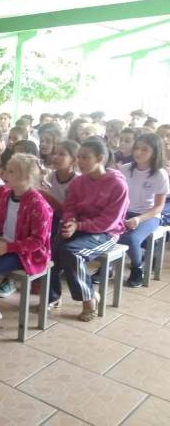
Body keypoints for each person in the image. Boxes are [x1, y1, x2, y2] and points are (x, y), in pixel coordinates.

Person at [0, 154, 53, 339]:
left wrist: (9, 248)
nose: (5, 174)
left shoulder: (39, 204)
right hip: (2, 243)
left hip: (26, 253)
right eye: (7, 169)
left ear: (26, 178)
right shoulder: (6, 195)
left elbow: (38, 241)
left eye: (11, 171)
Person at [48, 139, 129, 321]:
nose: (80, 161)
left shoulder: (117, 184)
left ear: (99, 158)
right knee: (52, 249)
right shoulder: (79, 182)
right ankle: (52, 296)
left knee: (72, 252)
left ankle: (89, 298)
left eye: (85, 157)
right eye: (79, 157)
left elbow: (109, 222)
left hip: (106, 233)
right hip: (80, 227)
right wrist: (70, 221)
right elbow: (70, 207)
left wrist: (79, 225)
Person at [109, 133, 169, 287]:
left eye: (144, 149)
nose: (138, 152)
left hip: (149, 215)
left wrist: (138, 219)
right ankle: (107, 267)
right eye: (137, 148)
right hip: (125, 211)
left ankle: (137, 268)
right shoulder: (125, 169)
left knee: (131, 239)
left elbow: (159, 207)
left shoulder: (160, 174)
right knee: (107, 233)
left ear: (154, 152)